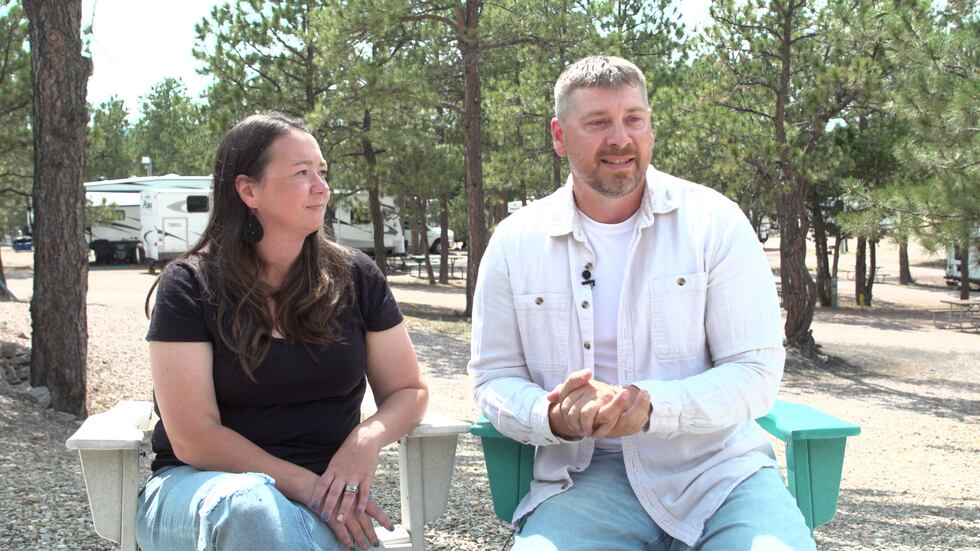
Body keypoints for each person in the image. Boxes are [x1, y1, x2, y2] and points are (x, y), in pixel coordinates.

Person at [468, 56, 815, 550]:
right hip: (586, 480)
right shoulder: (515, 242)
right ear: (559, 136)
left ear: (650, 126)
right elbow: (493, 378)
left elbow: (755, 373)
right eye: (597, 122)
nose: (620, 139)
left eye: (634, 119)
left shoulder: (715, 223)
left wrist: (652, 407)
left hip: (720, 473)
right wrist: (552, 416)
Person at [137, 113, 429, 551]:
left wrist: (365, 440)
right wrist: (307, 488)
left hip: (318, 501)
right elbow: (193, 436)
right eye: (301, 172)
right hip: (201, 491)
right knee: (251, 508)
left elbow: (409, 390)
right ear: (248, 190)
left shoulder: (356, 277)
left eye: (322, 172)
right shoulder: (190, 285)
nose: (321, 187)